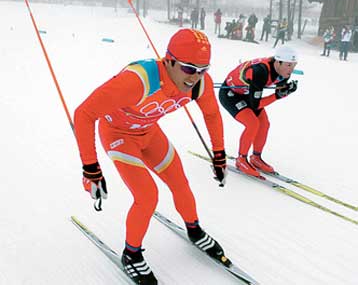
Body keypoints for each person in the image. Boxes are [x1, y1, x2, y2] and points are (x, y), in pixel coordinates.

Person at [74, 29, 228, 285]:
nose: (195, 77)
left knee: (181, 183)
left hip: (149, 133)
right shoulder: (138, 81)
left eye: (203, 69)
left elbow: (212, 115)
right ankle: (131, 254)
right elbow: (84, 114)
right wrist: (91, 168)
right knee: (147, 196)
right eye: (189, 68)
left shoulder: (200, 83)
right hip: (118, 135)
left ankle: (194, 229)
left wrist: (219, 155)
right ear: (168, 61)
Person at [218, 45, 298, 177]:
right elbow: (256, 105)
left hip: (248, 93)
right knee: (252, 124)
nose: (291, 69)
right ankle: (241, 159)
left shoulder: (284, 72)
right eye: (289, 65)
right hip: (230, 94)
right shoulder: (260, 72)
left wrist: (285, 89)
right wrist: (278, 96)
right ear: (278, 62)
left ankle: (256, 158)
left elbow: (279, 88)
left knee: (264, 124)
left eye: (294, 65)